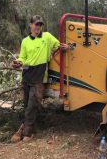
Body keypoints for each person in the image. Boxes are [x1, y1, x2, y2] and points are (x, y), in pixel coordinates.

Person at [11, 15, 68, 143]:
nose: (38, 27)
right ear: (30, 25)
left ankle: (27, 132)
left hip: (39, 76)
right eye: (36, 24)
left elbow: (58, 45)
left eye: (40, 25)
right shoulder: (25, 41)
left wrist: (64, 47)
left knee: (32, 104)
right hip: (26, 75)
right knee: (27, 105)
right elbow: (23, 57)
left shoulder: (47, 37)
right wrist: (18, 62)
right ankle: (29, 128)